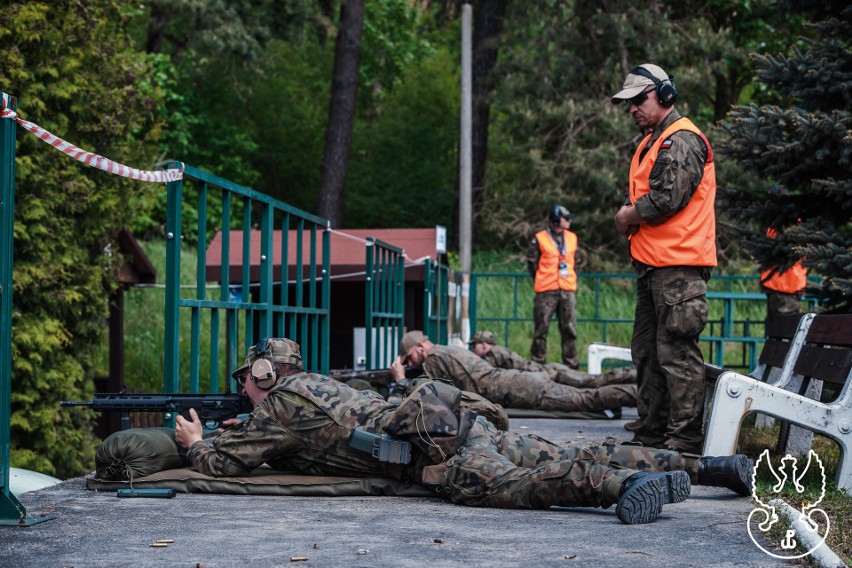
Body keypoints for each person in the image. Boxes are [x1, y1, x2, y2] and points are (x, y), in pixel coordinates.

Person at [175, 338, 754, 526]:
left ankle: (622, 486)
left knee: (529, 484)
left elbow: (225, 466)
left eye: (246, 385)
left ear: (263, 375)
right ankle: (712, 469)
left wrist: (196, 443)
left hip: (437, 450)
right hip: (458, 418)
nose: (244, 395)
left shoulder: (275, 406)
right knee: (572, 446)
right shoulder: (316, 385)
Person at [611, 63, 716, 454]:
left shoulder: (682, 138)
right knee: (647, 352)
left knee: (676, 353)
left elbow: (666, 199)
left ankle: (684, 441)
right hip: (654, 267)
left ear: (665, 95)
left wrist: (626, 216)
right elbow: (646, 194)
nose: (633, 108)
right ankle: (652, 433)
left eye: (640, 99)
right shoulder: (652, 142)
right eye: (629, 102)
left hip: (678, 268)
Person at [393, 330, 636, 414]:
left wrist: (401, 380)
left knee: (587, 399)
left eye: (410, 357)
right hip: (521, 382)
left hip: (522, 388)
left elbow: (429, 400)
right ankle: (639, 391)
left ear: (421, 346)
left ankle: (638, 394)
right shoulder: (446, 350)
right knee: (588, 391)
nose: (411, 362)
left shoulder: (434, 359)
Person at [467, 330, 636, 388]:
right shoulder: (499, 352)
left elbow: (484, 374)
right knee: (592, 381)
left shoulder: (493, 354)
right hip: (550, 371)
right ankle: (631, 373)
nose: (473, 350)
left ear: (483, 344)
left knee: (593, 382)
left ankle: (631, 373)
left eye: (474, 346)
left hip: (551, 374)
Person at [527, 204, 580, 368]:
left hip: (567, 290)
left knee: (569, 330)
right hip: (546, 291)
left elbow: (575, 262)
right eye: (566, 218)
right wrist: (543, 278)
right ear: (557, 220)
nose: (570, 221)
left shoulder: (572, 237)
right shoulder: (539, 238)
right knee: (541, 330)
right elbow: (532, 263)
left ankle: (572, 367)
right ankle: (537, 366)